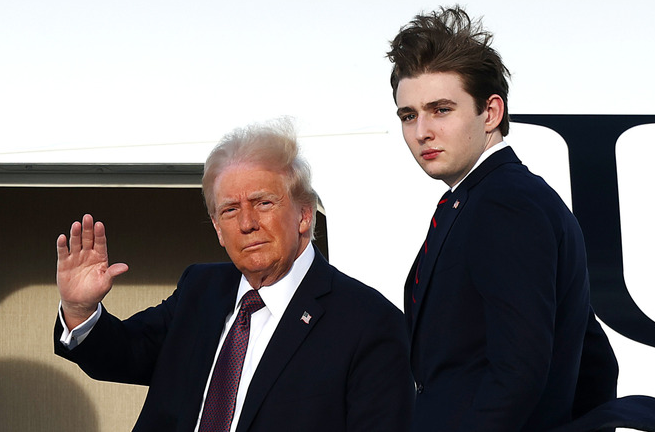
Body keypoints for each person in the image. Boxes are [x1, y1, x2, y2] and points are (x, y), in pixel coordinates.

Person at [53, 118, 413, 432]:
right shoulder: (200, 289)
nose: (246, 223)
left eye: (263, 203)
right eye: (229, 210)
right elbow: (124, 353)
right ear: (217, 229)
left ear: (304, 214)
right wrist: (79, 309)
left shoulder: (370, 323)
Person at [387, 6, 620, 431]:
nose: (421, 132)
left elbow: (518, 373)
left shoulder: (505, 204)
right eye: (409, 115)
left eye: (441, 109)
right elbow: (596, 361)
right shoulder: (494, 198)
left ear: (491, 113)